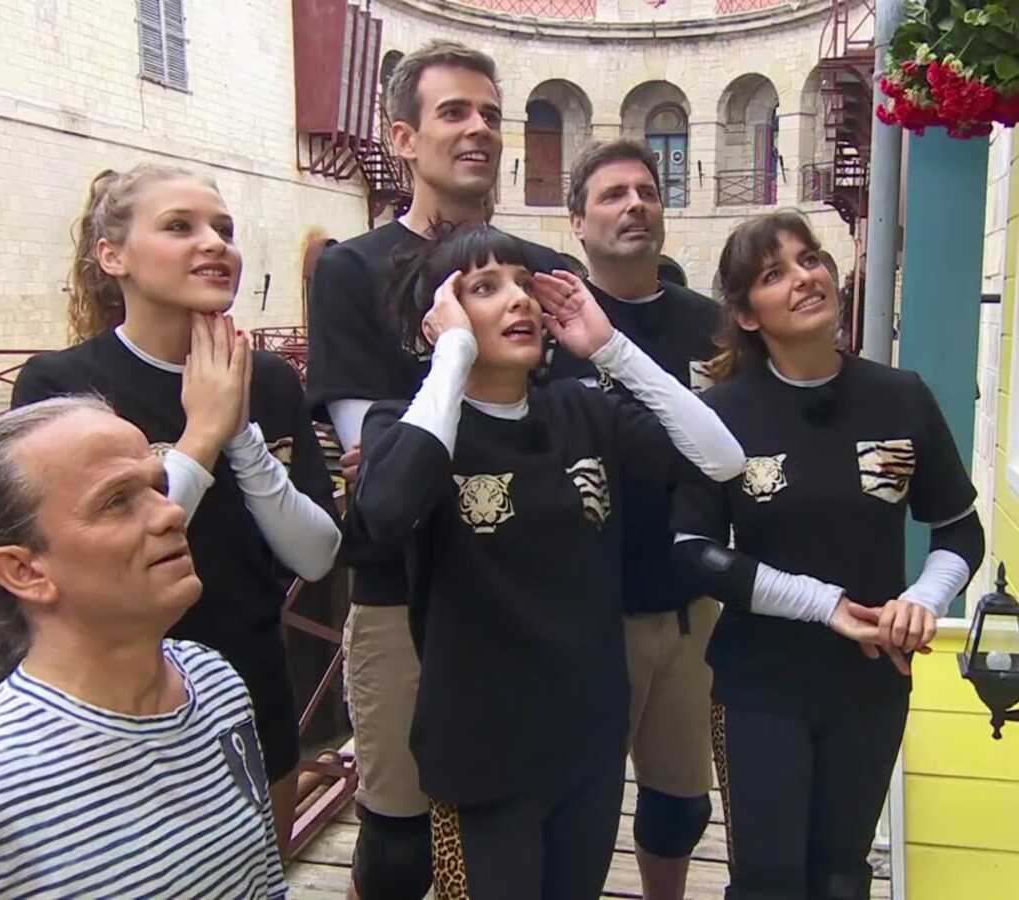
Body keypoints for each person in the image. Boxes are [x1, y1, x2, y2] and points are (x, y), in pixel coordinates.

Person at [348, 224, 746, 899]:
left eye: (524, 285)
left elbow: (721, 459)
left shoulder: (583, 413)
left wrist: (612, 349)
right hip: (478, 755)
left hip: (585, 745)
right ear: (440, 320)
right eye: (485, 287)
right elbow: (386, 513)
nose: (519, 301)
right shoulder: (406, 424)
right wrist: (450, 357)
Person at [0, 398, 287, 898]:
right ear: (24, 571)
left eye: (157, 485)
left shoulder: (213, 682)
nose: (171, 512)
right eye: (116, 501)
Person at [13, 163, 341, 854]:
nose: (214, 243)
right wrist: (201, 435)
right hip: (113, 697)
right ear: (113, 255)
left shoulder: (271, 379)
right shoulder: (61, 384)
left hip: (252, 685)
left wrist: (242, 431)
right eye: (179, 227)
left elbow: (315, 554)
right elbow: (100, 560)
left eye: (223, 228)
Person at [305, 41, 561, 900]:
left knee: (513, 824)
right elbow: (375, 475)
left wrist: (411, 442)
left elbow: (552, 424)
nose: (479, 129)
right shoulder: (350, 269)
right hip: (398, 592)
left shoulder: (534, 267)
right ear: (403, 137)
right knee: (399, 835)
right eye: (455, 112)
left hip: (514, 586)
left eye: (491, 114)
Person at [670, 211, 985, 900]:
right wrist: (824, 606)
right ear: (748, 315)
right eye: (774, 274)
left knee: (842, 877)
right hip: (760, 684)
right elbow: (691, 553)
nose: (804, 278)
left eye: (810, 259)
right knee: (770, 879)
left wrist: (921, 602)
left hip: (869, 683)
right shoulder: (721, 413)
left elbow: (960, 531)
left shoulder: (901, 396)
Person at [549, 139, 723, 900]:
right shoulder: (544, 324)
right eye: (613, 194)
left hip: (687, 603)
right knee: (577, 803)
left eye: (647, 191)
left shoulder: (711, 327)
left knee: (679, 803)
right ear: (577, 222)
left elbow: (728, 454)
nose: (634, 205)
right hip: (581, 613)